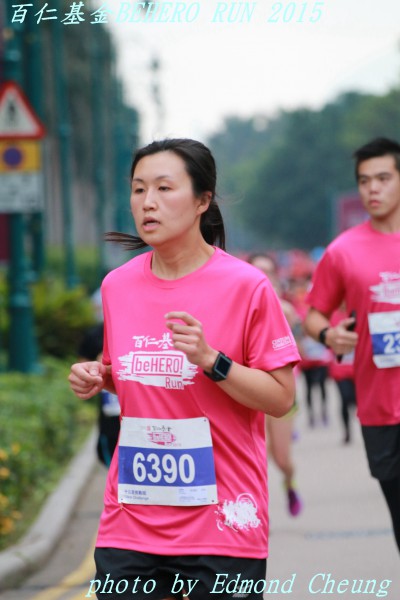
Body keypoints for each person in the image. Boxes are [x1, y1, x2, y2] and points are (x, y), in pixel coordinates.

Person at [68, 138, 300, 600]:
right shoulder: (117, 286)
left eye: (163, 188)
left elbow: (280, 398)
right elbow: (132, 373)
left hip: (223, 520)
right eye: (138, 189)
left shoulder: (247, 287)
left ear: (202, 200)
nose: (147, 202)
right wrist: (99, 376)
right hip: (132, 518)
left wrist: (213, 360)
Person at [304, 137, 400, 555]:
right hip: (378, 408)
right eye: (364, 180)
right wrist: (329, 335)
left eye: (383, 178)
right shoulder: (343, 251)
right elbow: (314, 315)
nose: (372, 189)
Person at [247, 252, 303, 517]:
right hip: (251, 392)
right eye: (257, 270)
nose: (263, 275)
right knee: (260, 457)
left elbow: (298, 349)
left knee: (282, 459)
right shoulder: (240, 307)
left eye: (268, 271)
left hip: (281, 393)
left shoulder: (286, 310)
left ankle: (290, 482)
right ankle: (259, 517)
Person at [78, 323, 121, 467]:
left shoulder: (150, 330)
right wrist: (96, 368)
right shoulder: (96, 334)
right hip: (110, 419)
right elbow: (82, 366)